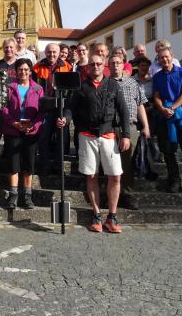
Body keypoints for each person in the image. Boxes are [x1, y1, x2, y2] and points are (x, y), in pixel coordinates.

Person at [58, 54, 131, 233]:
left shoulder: (113, 85)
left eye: (99, 64)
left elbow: (124, 111)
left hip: (109, 136)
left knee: (115, 176)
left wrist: (127, 135)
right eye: (93, 64)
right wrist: (65, 119)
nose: (96, 67)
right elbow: (69, 108)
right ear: (88, 67)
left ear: (104, 65)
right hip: (87, 136)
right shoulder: (81, 87)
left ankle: (112, 217)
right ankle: (96, 214)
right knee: (91, 176)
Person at [108, 53, 151, 210]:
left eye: (118, 63)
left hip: (131, 126)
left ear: (123, 64)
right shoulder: (104, 83)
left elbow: (140, 105)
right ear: (108, 66)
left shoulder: (132, 83)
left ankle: (127, 194)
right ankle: (109, 194)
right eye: (112, 63)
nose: (115, 65)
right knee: (109, 162)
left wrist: (145, 126)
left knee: (127, 163)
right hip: (110, 127)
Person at [152, 48, 182, 195]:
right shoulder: (157, 77)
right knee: (167, 150)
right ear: (158, 60)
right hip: (164, 116)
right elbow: (156, 96)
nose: (164, 59)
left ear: (172, 57)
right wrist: (162, 109)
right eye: (161, 58)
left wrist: (172, 107)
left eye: (166, 56)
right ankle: (174, 180)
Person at [1, 59, 44, 209]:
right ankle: (13, 196)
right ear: (16, 71)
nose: (23, 72)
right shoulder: (9, 87)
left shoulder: (38, 89)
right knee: (13, 164)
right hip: (13, 130)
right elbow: (4, 108)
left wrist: (33, 125)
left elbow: (41, 111)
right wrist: (14, 123)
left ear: (30, 71)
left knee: (28, 164)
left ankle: (27, 196)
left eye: (26, 69)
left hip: (31, 131)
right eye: (20, 69)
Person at [32, 43, 72, 171]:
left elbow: (70, 91)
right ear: (45, 52)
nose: (52, 54)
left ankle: (58, 166)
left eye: (54, 52)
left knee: (61, 137)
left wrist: (67, 112)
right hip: (44, 107)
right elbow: (33, 88)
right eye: (49, 52)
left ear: (59, 52)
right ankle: (44, 165)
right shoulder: (37, 67)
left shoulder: (67, 67)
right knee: (43, 136)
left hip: (61, 106)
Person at [133, 56, 162, 164]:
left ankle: (151, 156)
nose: (144, 68)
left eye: (146, 65)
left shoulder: (153, 80)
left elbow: (157, 94)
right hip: (136, 109)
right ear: (138, 67)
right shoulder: (132, 80)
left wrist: (152, 105)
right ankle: (140, 156)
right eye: (141, 65)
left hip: (152, 108)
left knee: (151, 133)